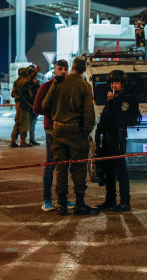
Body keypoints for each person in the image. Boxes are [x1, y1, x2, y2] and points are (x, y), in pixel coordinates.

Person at [42, 56, 98, 216]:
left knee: (61, 167)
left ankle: (62, 204)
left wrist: (57, 114)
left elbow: (45, 104)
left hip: (58, 131)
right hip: (76, 132)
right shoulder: (84, 86)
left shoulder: (58, 83)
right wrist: (85, 132)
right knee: (79, 168)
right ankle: (80, 204)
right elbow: (89, 114)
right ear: (84, 69)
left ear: (72, 67)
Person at [95, 70, 141, 212]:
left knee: (120, 171)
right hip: (106, 137)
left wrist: (112, 101)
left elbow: (121, 117)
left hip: (118, 138)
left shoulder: (127, 99)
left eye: (116, 83)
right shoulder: (111, 99)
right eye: (112, 83)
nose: (113, 86)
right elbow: (105, 118)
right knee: (107, 169)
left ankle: (125, 202)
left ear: (122, 84)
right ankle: (110, 200)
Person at [34, 59, 74, 212]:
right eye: (60, 68)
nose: (63, 71)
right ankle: (47, 199)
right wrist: (54, 115)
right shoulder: (46, 86)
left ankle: (62, 198)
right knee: (51, 164)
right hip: (52, 129)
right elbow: (37, 108)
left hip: (67, 129)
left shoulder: (70, 85)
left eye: (65, 68)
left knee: (65, 165)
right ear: (55, 70)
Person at [10, 65, 41, 148]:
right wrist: (36, 72)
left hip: (19, 104)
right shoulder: (23, 81)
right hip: (24, 104)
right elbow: (29, 79)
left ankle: (13, 140)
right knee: (24, 123)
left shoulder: (17, 81)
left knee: (18, 122)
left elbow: (12, 94)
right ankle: (23, 141)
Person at [27, 76, 41, 146]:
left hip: (34, 107)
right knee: (31, 124)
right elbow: (32, 97)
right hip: (31, 107)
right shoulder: (29, 86)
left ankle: (32, 139)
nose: (35, 80)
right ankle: (31, 140)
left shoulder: (36, 86)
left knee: (32, 124)